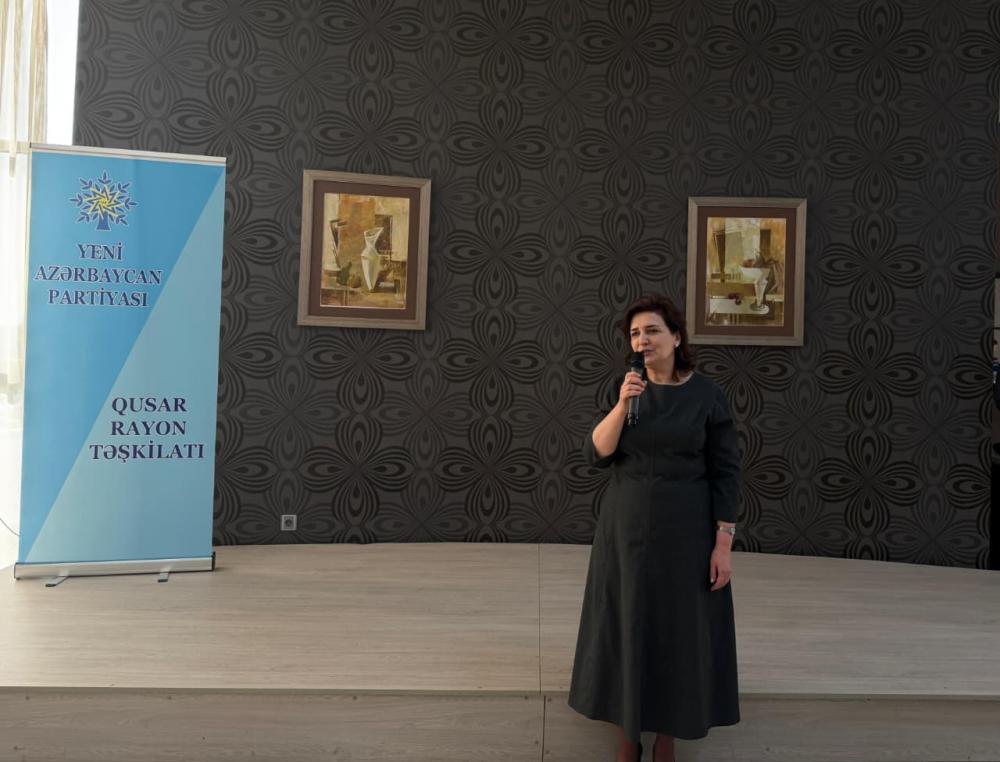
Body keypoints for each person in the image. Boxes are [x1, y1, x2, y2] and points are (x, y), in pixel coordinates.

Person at [568, 294, 741, 762]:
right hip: (624, 531)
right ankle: (628, 735)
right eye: (635, 334)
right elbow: (596, 453)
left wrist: (722, 544)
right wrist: (623, 403)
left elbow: (726, 473)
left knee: (677, 633)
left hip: (686, 534)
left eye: (652, 331)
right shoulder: (629, 386)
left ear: (676, 337)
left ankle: (668, 735)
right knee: (627, 625)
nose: (642, 340)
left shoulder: (706, 395)